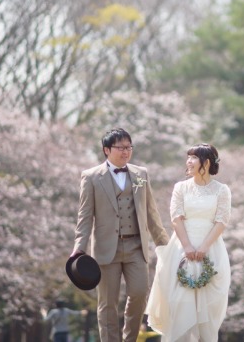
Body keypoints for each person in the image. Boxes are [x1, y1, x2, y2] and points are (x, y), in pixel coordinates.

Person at [71, 128, 170, 342]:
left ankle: (129, 339)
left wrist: (166, 245)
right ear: (106, 150)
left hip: (136, 247)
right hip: (107, 249)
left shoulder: (140, 174)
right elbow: (85, 216)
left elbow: (151, 213)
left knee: (139, 294)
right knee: (107, 303)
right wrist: (79, 247)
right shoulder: (90, 177)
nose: (126, 152)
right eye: (120, 148)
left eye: (129, 147)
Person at [146, 143, 232, 342]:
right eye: (188, 157)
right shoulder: (181, 188)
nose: (189, 162)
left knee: (208, 307)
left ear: (207, 162)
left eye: (194, 158)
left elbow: (221, 221)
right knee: (179, 302)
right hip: (182, 248)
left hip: (211, 249)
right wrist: (187, 247)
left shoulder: (222, 190)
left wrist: (203, 247)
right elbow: (176, 218)